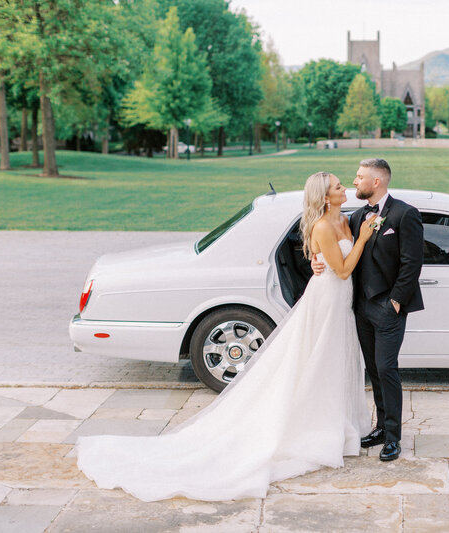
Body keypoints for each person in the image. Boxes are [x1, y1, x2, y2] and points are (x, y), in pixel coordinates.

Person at [76, 172, 376, 502]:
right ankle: (317, 429)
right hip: (328, 298)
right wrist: (361, 239)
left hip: (339, 298)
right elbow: (344, 268)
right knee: (319, 361)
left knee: (333, 362)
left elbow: (322, 257)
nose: (344, 188)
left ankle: (337, 425)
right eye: (337, 186)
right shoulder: (323, 225)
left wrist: (325, 253)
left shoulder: (344, 220)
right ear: (324, 197)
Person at [311, 158, 424, 462]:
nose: (354, 182)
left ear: (376, 182)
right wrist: (314, 258)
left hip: (389, 307)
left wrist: (397, 301)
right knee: (373, 370)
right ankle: (380, 428)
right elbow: (326, 241)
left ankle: (393, 437)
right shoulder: (355, 216)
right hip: (359, 309)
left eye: (360, 177)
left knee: (387, 369)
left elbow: (412, 263)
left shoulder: (404, 214)